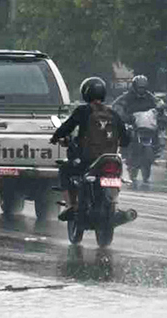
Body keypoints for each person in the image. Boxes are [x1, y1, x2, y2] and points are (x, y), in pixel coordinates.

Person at [49, 76, 130, 222]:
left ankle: (70, 205)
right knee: (117, 177)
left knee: (65, 170)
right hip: (110, 159)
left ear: (85, 93)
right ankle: (115, 207)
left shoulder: (82, 111)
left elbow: (66, 128)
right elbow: (125, 140)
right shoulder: (113, 114)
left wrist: (54, 138)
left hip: (87, 159)